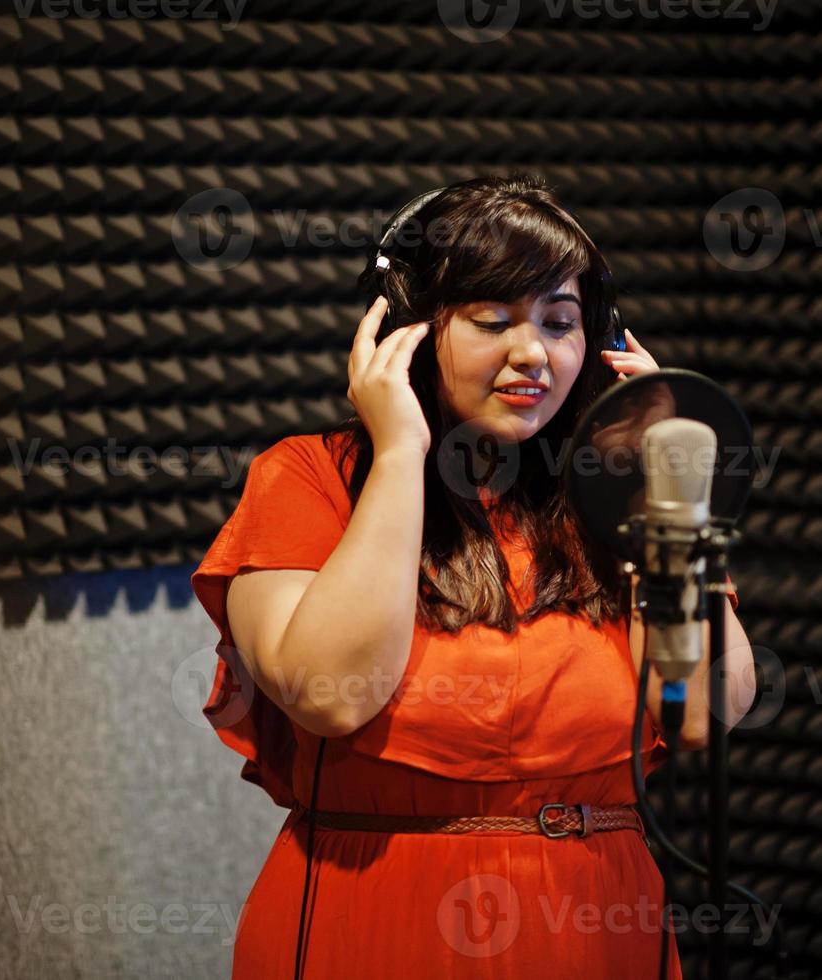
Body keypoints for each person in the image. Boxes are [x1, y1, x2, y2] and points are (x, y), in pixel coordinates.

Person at [191, 173, 755, 979]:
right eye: (493, 320)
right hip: (378, 920)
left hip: (595, 924)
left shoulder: (612, 503)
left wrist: (659, 498)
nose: (534, 353)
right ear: (403, 330)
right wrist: (398, 456)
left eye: (560, 324)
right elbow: (330, 694)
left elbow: (704, 711)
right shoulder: (308, 478)